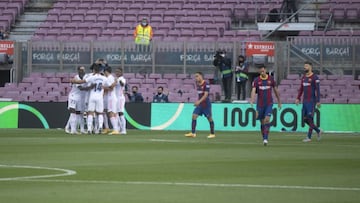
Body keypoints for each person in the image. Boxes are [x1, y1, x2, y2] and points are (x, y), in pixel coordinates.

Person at [250, 65, 281, 146]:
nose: (262, 72)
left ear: (265, 70)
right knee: (262, 122)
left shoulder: (271, 79)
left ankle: (266, 139)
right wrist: (252, 100)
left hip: (269, 103)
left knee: (267, 119)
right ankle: (264, 137)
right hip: (260, 104)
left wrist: (279, 101)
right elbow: (253, 91)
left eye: (263, 71)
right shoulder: (256, 80)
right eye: (260, 71)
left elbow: (275, 90)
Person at [72, 63, 107, 134]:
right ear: (100, 70)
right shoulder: (104, 78)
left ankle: (89, 129)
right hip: (100, 97)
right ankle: (100, 127)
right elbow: (109, 85)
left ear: (94, 70)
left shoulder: (91, 77)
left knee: (90, 113)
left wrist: (74, 81)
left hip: (92, 96)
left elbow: (82, 81)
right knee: (100, 113)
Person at [295, 61, 322, 142]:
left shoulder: (315, 77)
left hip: (312, 101)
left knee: (310, 118)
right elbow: (301, 89)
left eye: (306, 66)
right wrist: (298, 98)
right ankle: (318, 130)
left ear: (310, 67)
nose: (305, 67)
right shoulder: (303, 77)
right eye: (304, 66)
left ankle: (309, 137)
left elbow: (318, 90)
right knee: (305, 119)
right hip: (305, 101)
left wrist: (318, 101)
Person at [185, 72, 215, 139]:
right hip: (200, 104)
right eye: (195, 76)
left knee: (209, 118)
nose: (196, 78)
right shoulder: (198, 84)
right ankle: (193, 133)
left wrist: (198, 102)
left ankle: (212, 133)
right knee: (194, 116)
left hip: (206, 104)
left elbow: (205, 95)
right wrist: (199, 102)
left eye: (197, 76)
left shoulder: (206, 84)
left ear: (201, 76)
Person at [65, 66, 87, 134]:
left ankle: (82, 129)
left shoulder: (86, 77)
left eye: (83, 70)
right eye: (81, 70)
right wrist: (90, 87)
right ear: (78, 70)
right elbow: (80, 88)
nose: (82, 71)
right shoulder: (76, 77)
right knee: (73, 113)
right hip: (73, 97)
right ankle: (72, 129)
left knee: (80, 113)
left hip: (81, 98)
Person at [103, 66, 120, 135]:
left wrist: (103, 87)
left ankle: (115, 129)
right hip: (112, 97)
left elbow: (111, 88)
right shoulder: (112, 77)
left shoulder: (109, 78)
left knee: (111, 113)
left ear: (106, 72)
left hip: (111, 97)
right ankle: (116, 129)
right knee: (113, 113)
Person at [114, 68, 127, 134]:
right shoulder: (115, 79)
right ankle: (119, 128)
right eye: (116, 72)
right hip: (115, 98)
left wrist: (119, 81)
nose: (117, 73)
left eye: (118, 72)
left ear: (121, 72)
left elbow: (122, 84)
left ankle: (124, 130)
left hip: (120, 98)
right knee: (116, 114)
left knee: (121, 113)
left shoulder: (122, 79)